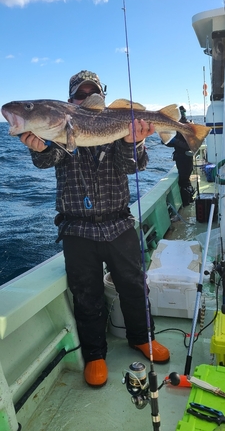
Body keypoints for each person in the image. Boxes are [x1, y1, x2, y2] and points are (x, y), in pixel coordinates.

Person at [20, 70, 170, 387]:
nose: (88, 97)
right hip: (77, 230)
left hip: (118, 223)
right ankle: (95, 354)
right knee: (85, 294)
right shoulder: (59, 130)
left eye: (94, 91)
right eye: (80, 93)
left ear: (102, 95)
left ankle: (141, 337)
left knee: (133, 285)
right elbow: (48, 158)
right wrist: (39, 147)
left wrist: (136, 140)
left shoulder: (114, 124)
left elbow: (132, 166)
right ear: (70, 99)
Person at [164, 106, 195, 206]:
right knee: (185, 181)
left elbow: (188, 145)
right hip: (183, 158)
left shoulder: (187, 127)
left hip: (184, 159)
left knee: (184, 182)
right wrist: (166, 141)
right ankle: (190, 200)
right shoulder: (179, 127)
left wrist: (174, 141)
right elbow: (172, 143)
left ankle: (186, 203)